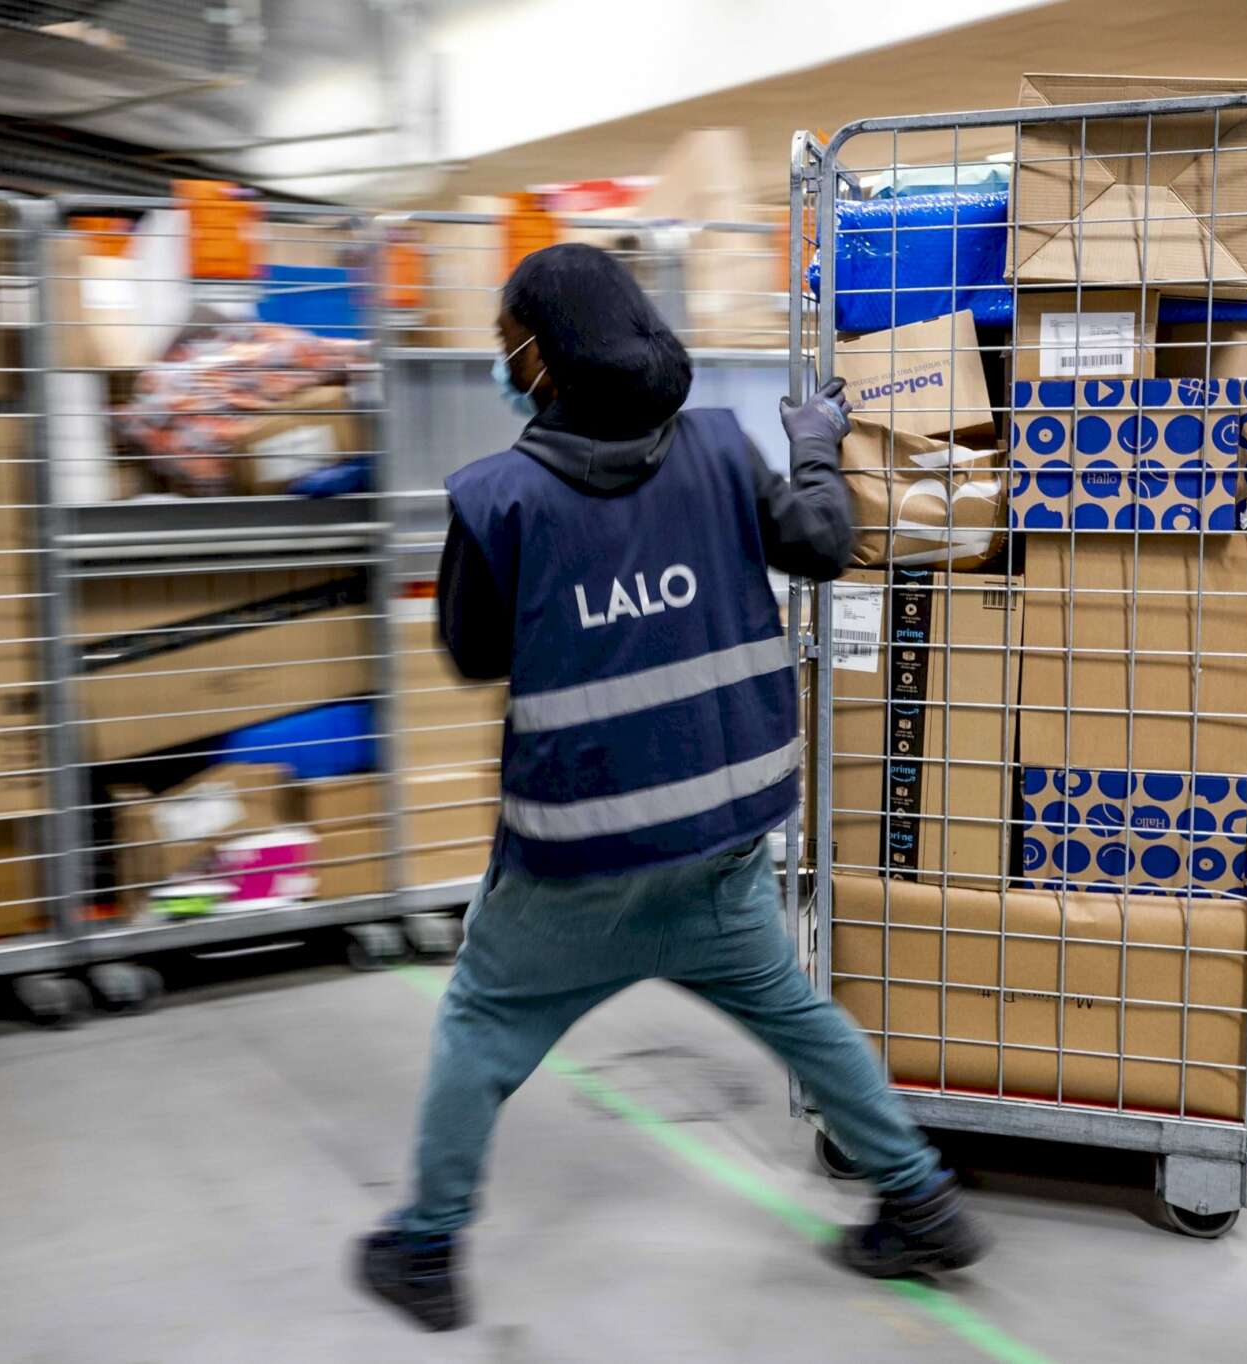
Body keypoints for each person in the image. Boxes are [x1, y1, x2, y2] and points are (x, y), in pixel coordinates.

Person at [355, 243, 986, 1333]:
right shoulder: (718, 449)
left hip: (577, 862)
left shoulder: (498, 499)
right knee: (792, 1009)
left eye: (510, 342)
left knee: (480, 1023)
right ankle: (919, 1196)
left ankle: (423, 1245)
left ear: (541, 360)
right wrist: (817, 445)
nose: (504, 360)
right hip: (723, 834)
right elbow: (824, 541)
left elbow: (469, 650)